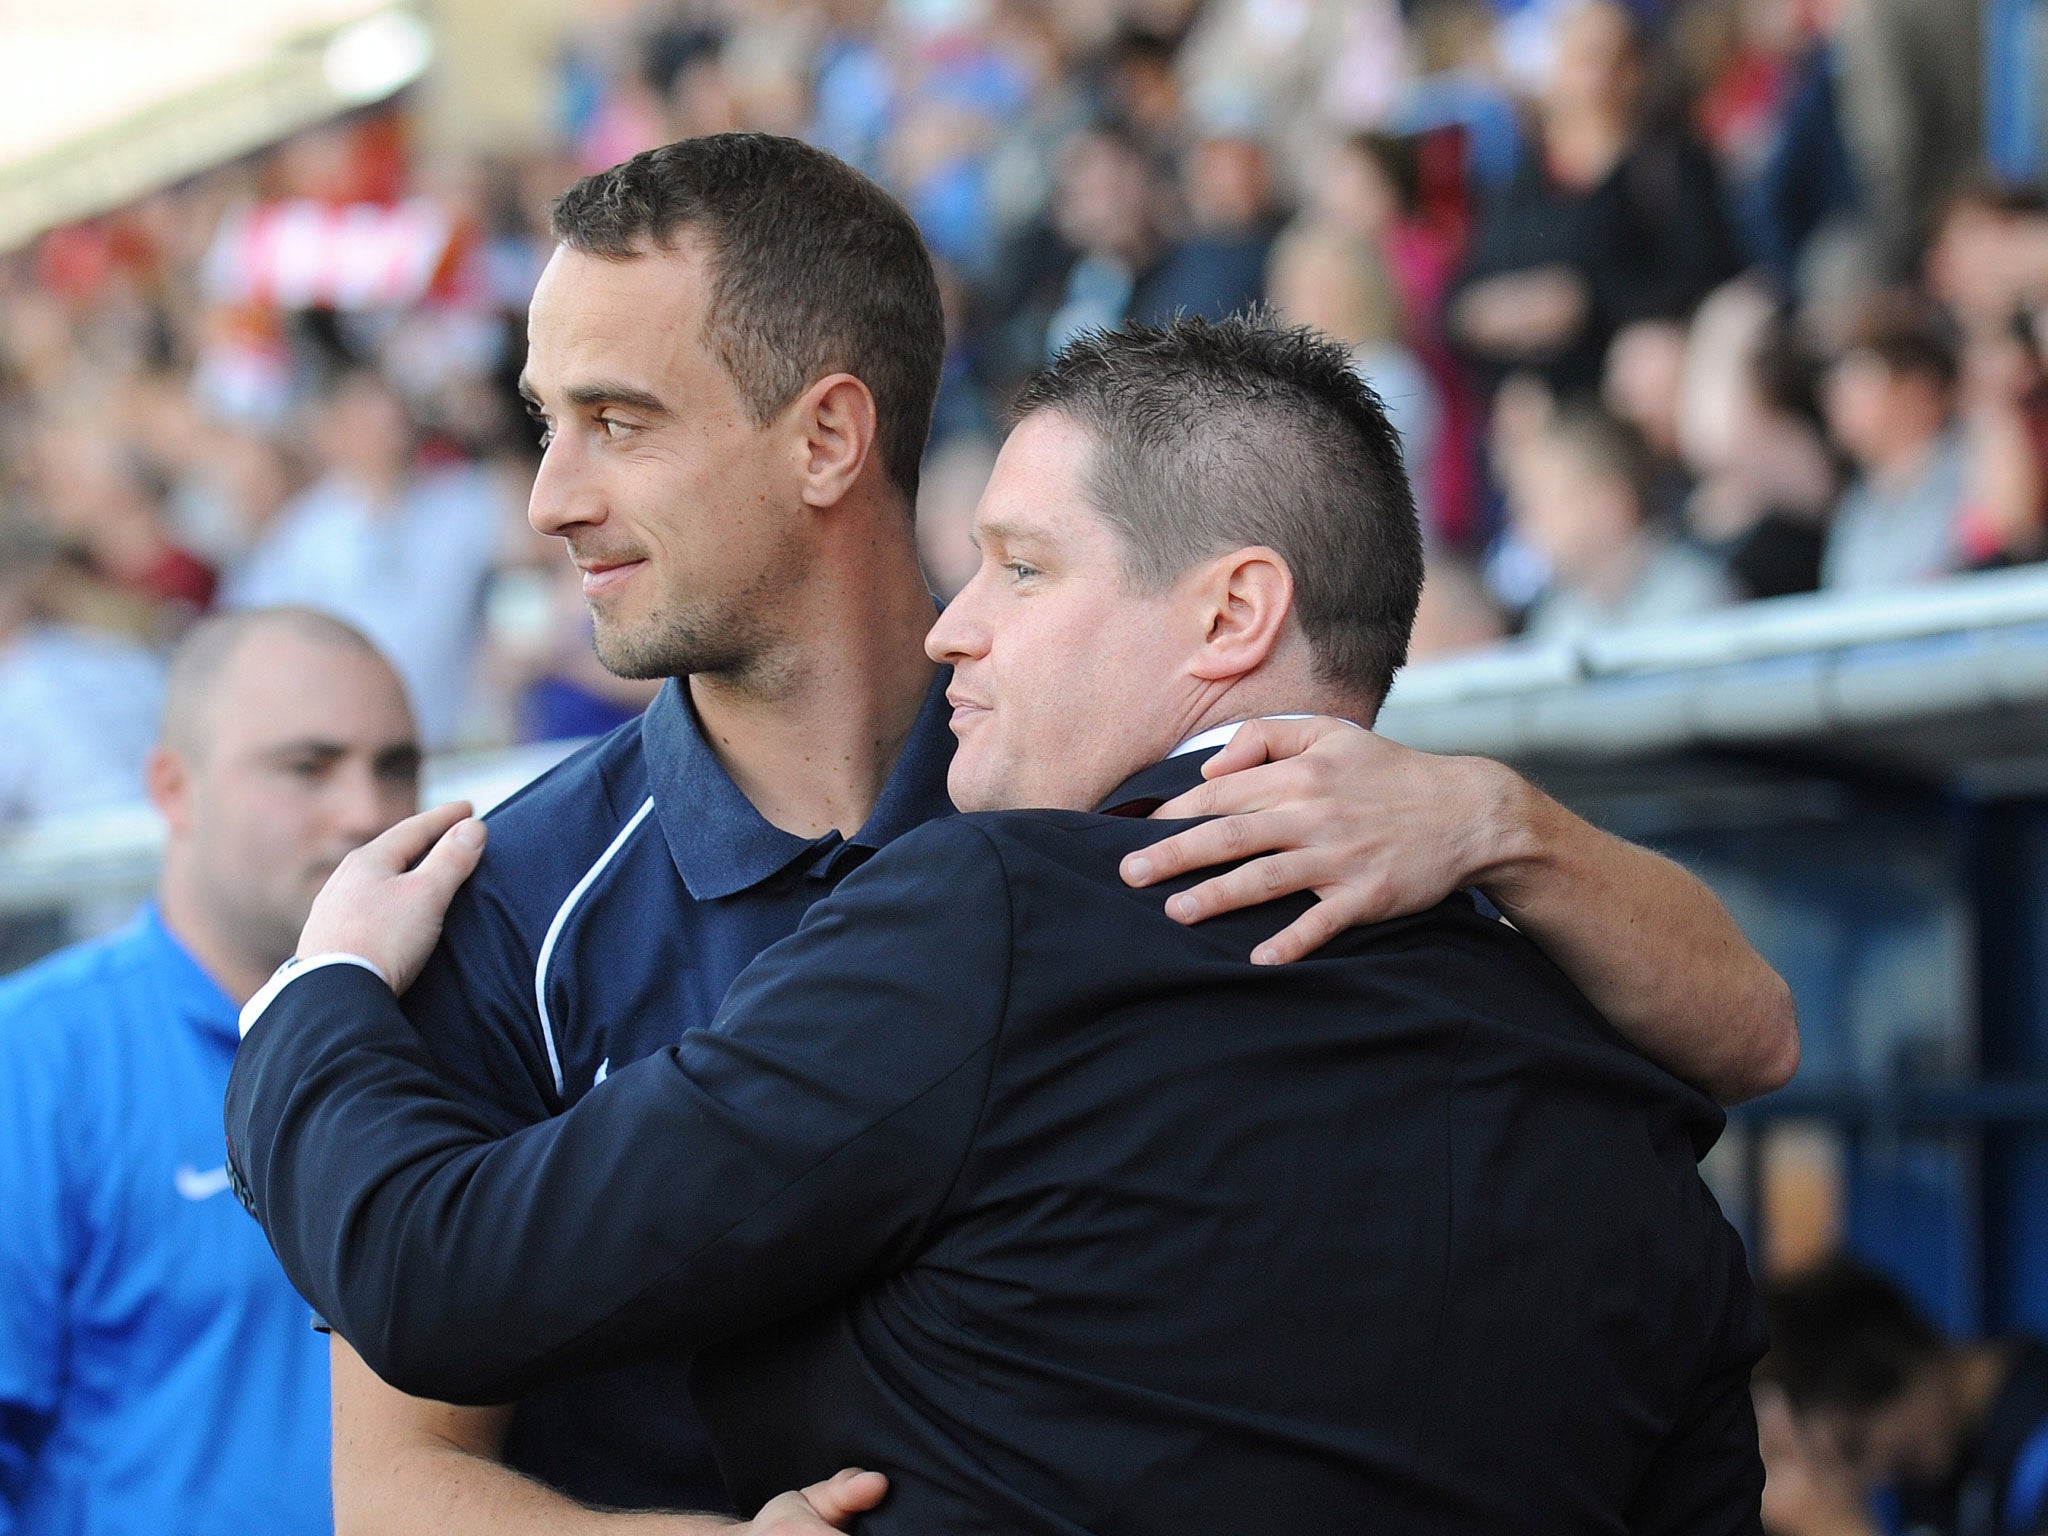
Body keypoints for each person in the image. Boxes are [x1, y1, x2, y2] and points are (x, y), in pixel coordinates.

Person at [276, 134, 1797, 1533]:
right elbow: (395, 1479)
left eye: (618, 421)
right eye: (546, 421)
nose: (548, 496)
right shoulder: (499, 902)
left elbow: (1752, 1028)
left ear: (826, 439)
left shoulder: (1064, 863)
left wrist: (302, 1007)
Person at [0, 608, 419, 1535]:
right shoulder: (33, 1066)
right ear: (172, 788)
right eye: (306, 767)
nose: (366, 810)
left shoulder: (474, 1038)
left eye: (395, 765)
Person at [223, 368, 512, 748]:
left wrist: (513, 646)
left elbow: (524, 581)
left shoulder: (467, 501)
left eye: (393, 415)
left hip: (466, 735)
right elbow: (260, 635)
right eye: (369, 417)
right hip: (357, 743)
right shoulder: (301, 537)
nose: (389, 429)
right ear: (332, 432)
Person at [1757, 1255, 2048, 1536]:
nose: (1877, 1474)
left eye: (1855, 1445)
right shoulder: (1930, 1487)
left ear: (1886, 1358)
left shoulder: (2034, 1419)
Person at [1514, 403, 1737, 641]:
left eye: (1542, 500)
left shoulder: (1697, 596)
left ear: (1611, 505)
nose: (1527, 520)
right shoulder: (1557, 616)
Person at [1819, 294, 1970, 591]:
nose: (1841, 399)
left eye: (1862, 381)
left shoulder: (1975, 472)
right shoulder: (1858, 502)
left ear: (1920, 389)